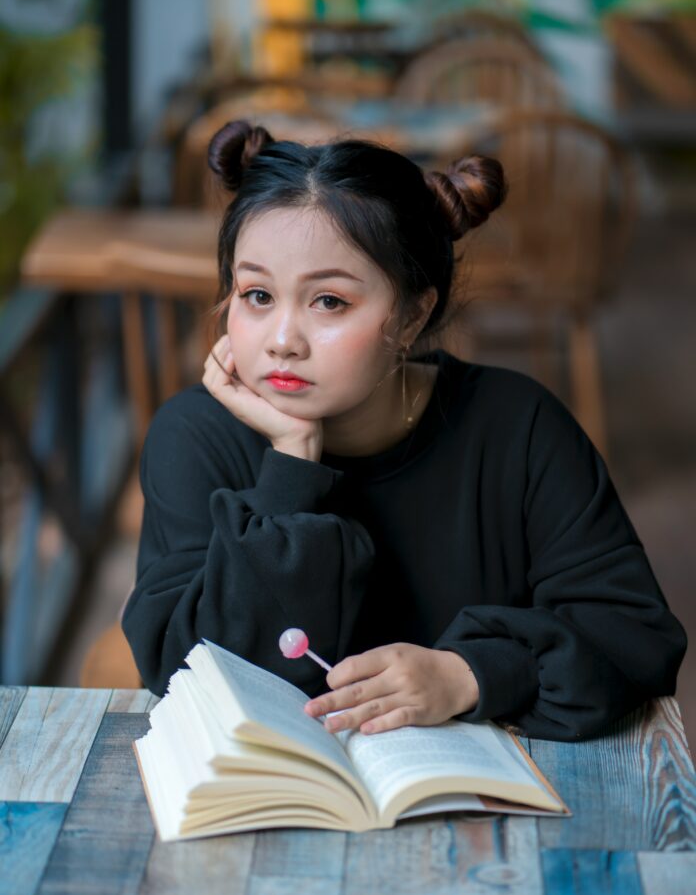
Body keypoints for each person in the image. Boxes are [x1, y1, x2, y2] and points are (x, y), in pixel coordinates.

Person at [122, 120, 686, 741]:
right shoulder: (196, 436)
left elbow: (636, 639)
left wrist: (468, 674)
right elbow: (186, 670)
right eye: (257, 294)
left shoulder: (516, 428)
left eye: (329, 302)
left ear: (414, 315)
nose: (282, 340)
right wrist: (292, 465)